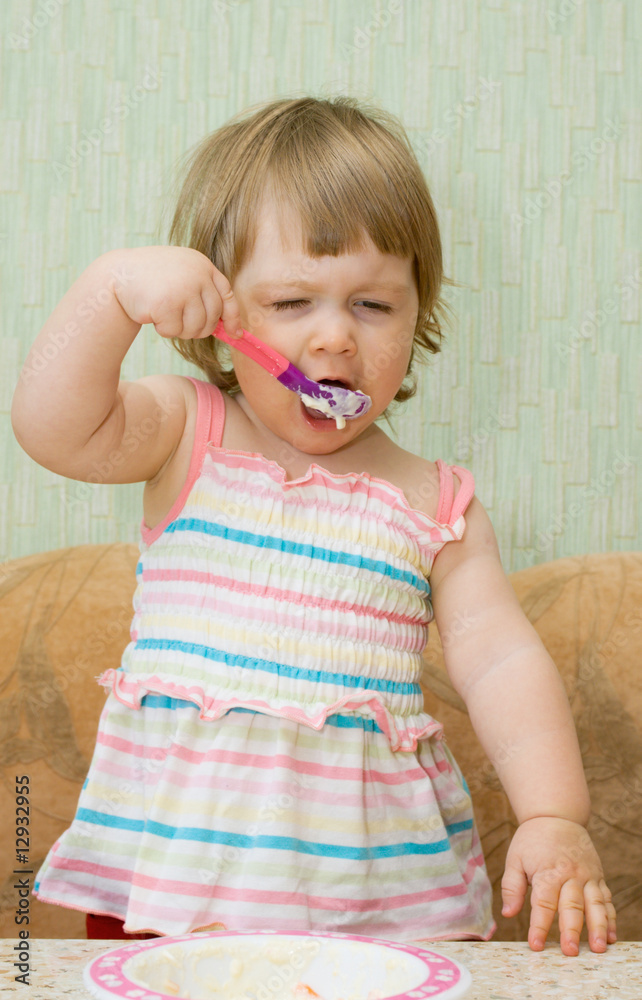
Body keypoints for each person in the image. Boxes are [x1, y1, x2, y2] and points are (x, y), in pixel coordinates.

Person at [12, 96, 616, 955]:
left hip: (372, 895)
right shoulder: (188, 434)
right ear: (223, 323)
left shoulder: (436, 505)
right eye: (294, 300)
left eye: (373, 306)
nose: (334, 338)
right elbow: (50, 427)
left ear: (419, 317)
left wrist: (554, 813)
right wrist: (110, 291)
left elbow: (501, 658)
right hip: (174, 875)